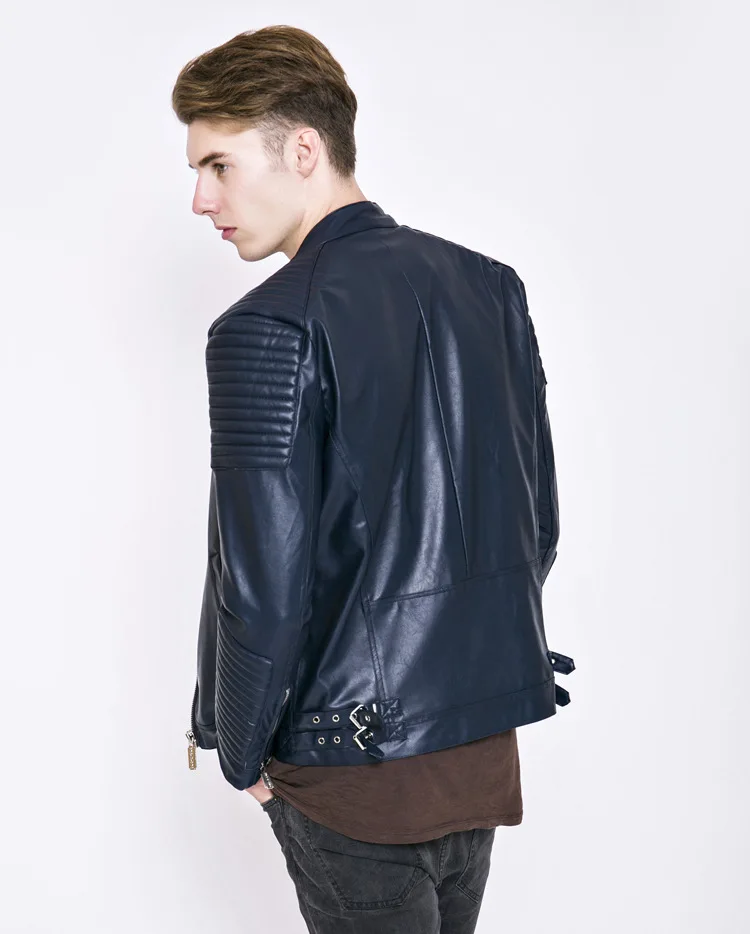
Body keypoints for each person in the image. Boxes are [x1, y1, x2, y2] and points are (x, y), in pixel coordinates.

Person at [172, 23, 575, 934]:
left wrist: (240, 753)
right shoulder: (492, 288)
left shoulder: (265, 328)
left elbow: (262, 589)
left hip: (352, 769)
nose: (201, 199)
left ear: (303, 150)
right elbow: (538, 523)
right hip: (478, 748)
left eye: (219, 165)